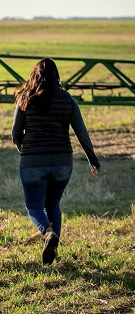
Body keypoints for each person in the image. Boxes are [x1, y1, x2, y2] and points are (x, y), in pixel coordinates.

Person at [12, 58, 100, 265]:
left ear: (34, 76)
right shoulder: (67, 100)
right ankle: (52, 250)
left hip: (32, 161)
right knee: (53, 203)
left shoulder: (25, 99)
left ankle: (47, 233)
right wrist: (93, 160)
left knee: (34, 206)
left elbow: (15, 133)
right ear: (56, 77)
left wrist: (22, 148)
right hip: (63, 163)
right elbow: (82, 133)